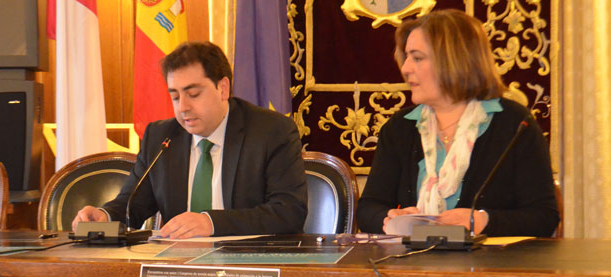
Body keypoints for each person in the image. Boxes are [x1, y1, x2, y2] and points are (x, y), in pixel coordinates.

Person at [72, 41, 307, 239]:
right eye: (175, 97)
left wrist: (211, 223)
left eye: (193, 94)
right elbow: (132, 204)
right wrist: (105, 216)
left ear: (223, 88)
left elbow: (289, 212)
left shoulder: (271, 132)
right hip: (179, 265)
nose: (183, 107)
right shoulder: (161, 137)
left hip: (249, 265)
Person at [356, 9, 559, 237]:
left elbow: (544, 216)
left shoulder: (514, 124)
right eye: (407, 57)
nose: (405, 68)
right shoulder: (399, 127)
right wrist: (390, 218)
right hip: (412, 259)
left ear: (453, 60)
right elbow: (368, 208)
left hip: (492, 260)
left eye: (417, 58)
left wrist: (483, 221)